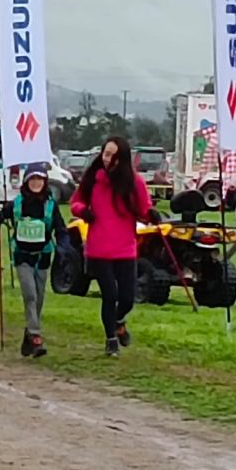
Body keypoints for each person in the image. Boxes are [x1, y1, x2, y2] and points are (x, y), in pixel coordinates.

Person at [70, 136, 160, 358]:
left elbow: (143, 209)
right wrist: (83, 211)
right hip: (98, 248)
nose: (107, 158)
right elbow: (75, 202)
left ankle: (119, 321)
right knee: (110, 294)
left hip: (125, 248)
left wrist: (151, 215)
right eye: (105, 153)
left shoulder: (134, 182)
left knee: (128, 297)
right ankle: (111, 339)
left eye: (112, 155)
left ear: (122, 159)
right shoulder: (92, 179)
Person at [0, 162, 71, 359]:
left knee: (39, 299)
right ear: (26, 181)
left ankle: (28, 337)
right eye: (32, 179)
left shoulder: (50, 205)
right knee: (30, 295)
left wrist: (64, 247)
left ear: (45, 181)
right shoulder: (17, 203)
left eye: (40, 179)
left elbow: (61, 229)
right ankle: (36, 335)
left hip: (42, 258)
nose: (36, 183)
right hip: (22, 257)